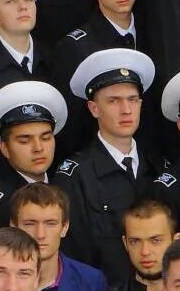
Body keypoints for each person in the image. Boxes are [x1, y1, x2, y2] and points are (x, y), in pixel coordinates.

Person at [51, 44, 158, 271]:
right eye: (113, 101)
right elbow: (75, 257)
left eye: (132, 99)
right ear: (94, 108)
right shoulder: (75, 176)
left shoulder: (158, 164)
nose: (126, 109)